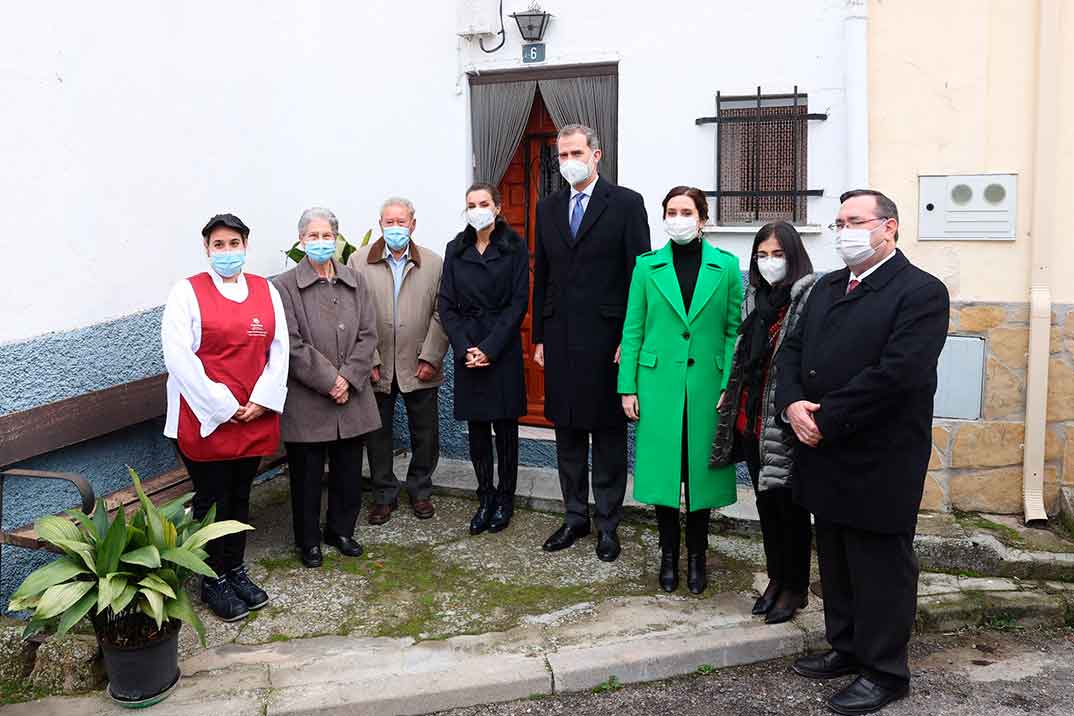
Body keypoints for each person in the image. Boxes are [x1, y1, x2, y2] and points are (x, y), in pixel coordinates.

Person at [776, 190, 949, 714]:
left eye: (855, 221)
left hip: (880, 453)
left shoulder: (920, 292)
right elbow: (792, 351)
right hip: (821, 448)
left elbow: (897, 374)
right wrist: (791, 408)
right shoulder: (828, 286)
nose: (844, 230)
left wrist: (824, 419)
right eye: (838, 221)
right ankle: (845, 646)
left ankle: (885, 671)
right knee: (835, 556)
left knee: (879, 565)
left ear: (888, 228)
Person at [532, 123, 651, 562]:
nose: (568, 163)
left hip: (608, 340)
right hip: (561, 337)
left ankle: (607, 524)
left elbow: (641, 277)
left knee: (606, 435)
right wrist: (540, 336)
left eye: (575, 153)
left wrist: (629, 340)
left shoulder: (625, 204)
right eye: (561, 156)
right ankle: (574, 516)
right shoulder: (548, 208)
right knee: (566, 432)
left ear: (596, 155)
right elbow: (542, 275)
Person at [161, 213, 288, 621]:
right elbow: (178, 355)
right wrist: (222, 405)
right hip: (205, 419)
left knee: (240, 495)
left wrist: (262, 400)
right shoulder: (187, 292)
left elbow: (280, 349)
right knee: (212, 501)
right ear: (207, 249)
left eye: (234, 244)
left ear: (245, 246)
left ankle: (235, 568)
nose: (227, 252)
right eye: (219, 245)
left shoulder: (266, 291)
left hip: (253, 415)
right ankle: (211, 578)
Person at [618, 186, 741, 594]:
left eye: (686, 211)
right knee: (665, 476)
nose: (678, 218)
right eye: (671, 211)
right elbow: (633, 328)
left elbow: (732, 331)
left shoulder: (726, 267)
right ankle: (668, 555)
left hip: (707, 388)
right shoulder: (646, 267)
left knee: (699, 477)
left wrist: (729, 385)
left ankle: (698, 556)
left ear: (702, 218)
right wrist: (628, 387)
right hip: (657, 387)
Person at [711, 222, 817, 622]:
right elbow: (743, 352)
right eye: (762, 255)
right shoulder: (756, 298)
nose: (769, 262)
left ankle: (795, 588)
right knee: (766, 505)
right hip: (752, 417)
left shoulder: (807, 298)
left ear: (794, 257)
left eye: (778, 254)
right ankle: (776, 579)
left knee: (791, 510)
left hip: (785, 421)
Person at [273, 208, 381, 568]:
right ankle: (308, 541)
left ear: (337, 239)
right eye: (313, 236)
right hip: (309, 397)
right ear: (301, 241)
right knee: (306, 474)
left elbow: (369, 334)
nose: (320, 242)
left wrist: (348, 378)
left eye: (327, 236)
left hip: (352, 395)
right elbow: (290, 342)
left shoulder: (355, 280)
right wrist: (328, 380)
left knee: (349, 468)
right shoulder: (284, 286)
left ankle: (341, 530)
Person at [348, 197, 449, 524]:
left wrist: (431, 355)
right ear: (380, 224)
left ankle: (420, 491)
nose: (395, 228)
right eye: (389, 222)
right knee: (377, 435)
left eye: (401, 222)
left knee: (426, 434)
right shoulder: (358, 261)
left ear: (413, 224)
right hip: (376, 365)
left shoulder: (434, 263)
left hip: (420, 364)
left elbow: (442, 312)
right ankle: (383, 496)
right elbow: (354, 314)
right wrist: (370, 358)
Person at [438, 183, 529, 534]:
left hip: (500, 348)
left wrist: (490, 348)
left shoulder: (514, 247)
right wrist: (465, 348)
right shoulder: (456, 248)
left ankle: (506, 498)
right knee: (477, 428)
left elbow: (518, 302)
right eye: (471, 204)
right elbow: (445, 303)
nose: (477, 209)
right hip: (467, 347)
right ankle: (485, 497)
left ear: (498, 207)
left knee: (505, 428)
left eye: (484, 203)